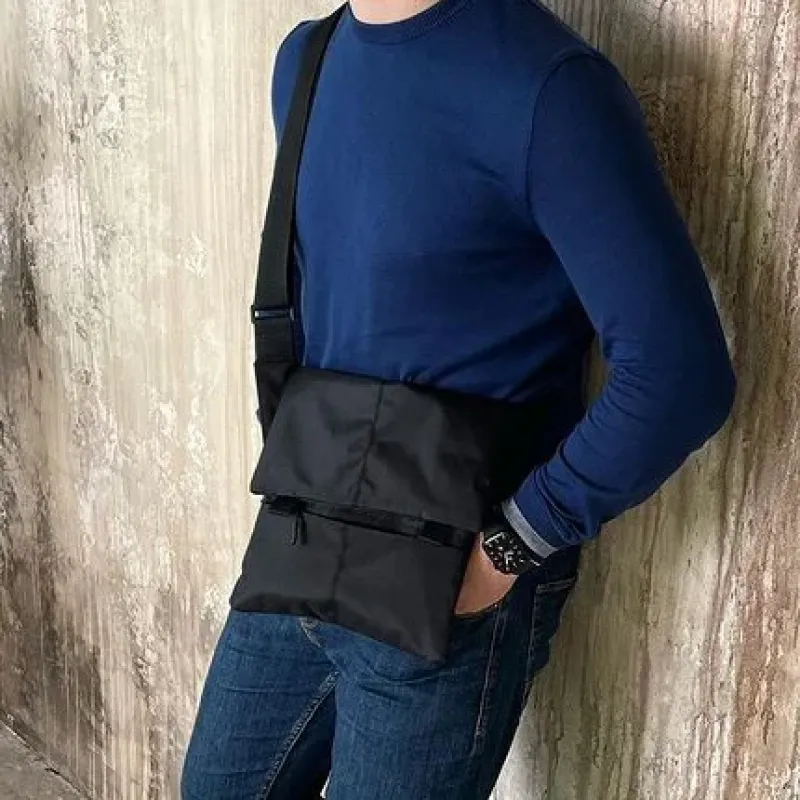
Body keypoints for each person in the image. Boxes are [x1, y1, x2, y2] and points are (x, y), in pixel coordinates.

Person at [181, 0, 736, 797]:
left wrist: (514, 544)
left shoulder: (548, 87)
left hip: (447, 568)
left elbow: (680, 373)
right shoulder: (306, 60)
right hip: (303, 535)